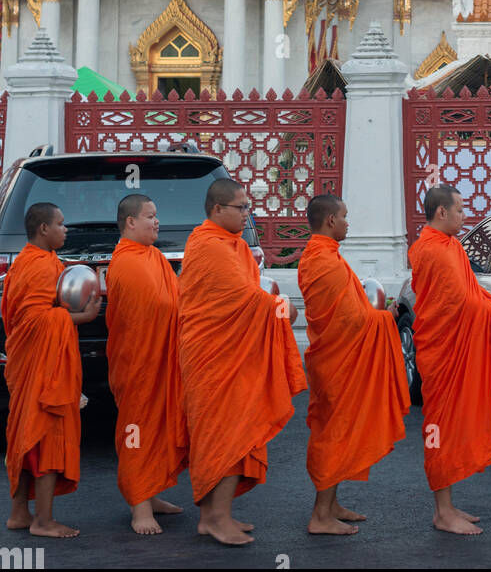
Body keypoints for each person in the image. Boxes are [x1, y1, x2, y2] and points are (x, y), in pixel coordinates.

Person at [178, 177, 306, 545]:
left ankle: (219, 515)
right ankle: (214, 518)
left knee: (235, 432)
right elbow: (244, 300)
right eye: (241, 207)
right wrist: (283, 309)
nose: (247, 214)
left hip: (233, 352)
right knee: (223, 433)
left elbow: (246, 296)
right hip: (213, 356)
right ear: (217, 209)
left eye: (248, 206)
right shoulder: (211, 246)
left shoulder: (229, 244)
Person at [408, 184, 491, 535]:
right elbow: (460, 303)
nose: (465, 215)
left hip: (451, 348)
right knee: (441, 429)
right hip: (443, 353)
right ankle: (442, 512)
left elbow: (473, 292)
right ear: (441, 212)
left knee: (452, 427)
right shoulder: (435, 251)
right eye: (459, 209)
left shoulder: (449, 245)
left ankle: (448, 504)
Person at [298, 195, 410, 536]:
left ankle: (331, 505)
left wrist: (374, 315)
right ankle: (320, 515)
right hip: (337, 360)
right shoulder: (325, 261)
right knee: (336, 433)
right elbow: (349, 321)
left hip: (334, 357)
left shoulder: (322, 255)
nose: (349, 223)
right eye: (345, 217)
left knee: (336, 430)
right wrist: (385, 319)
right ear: (331, 220)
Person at [3, 203, 100, 537]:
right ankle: (43, 520)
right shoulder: (41, 266)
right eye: (61, 224)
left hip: (30, 362)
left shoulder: (26, 262)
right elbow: (34, 319)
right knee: (44, 435)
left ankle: (19, 513)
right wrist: (83, 318)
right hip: (43, 370)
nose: (66, 229)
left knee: (24, 436)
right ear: (43, 228)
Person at [105, 193, 188, 534]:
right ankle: (139, 506)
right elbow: (144, 316)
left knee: (159, 431)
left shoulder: (153, 257)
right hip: (139, 366)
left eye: (157, 216)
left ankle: (151, 494)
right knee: (137, 433)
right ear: (131, 222)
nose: (157, 222)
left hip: (162, 363)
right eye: (150, 216)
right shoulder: (126, 262)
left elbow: (175, 302)